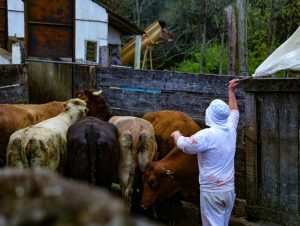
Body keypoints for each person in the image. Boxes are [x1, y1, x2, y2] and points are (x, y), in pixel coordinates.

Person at [171, 79, 240, 226]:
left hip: (212, 193)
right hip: (228, 190)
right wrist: (231, 91)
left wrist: (176, 134)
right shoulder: (231, 128)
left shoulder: (207, 135)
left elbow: (185, 145)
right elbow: (234, 111)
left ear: (210, 115)